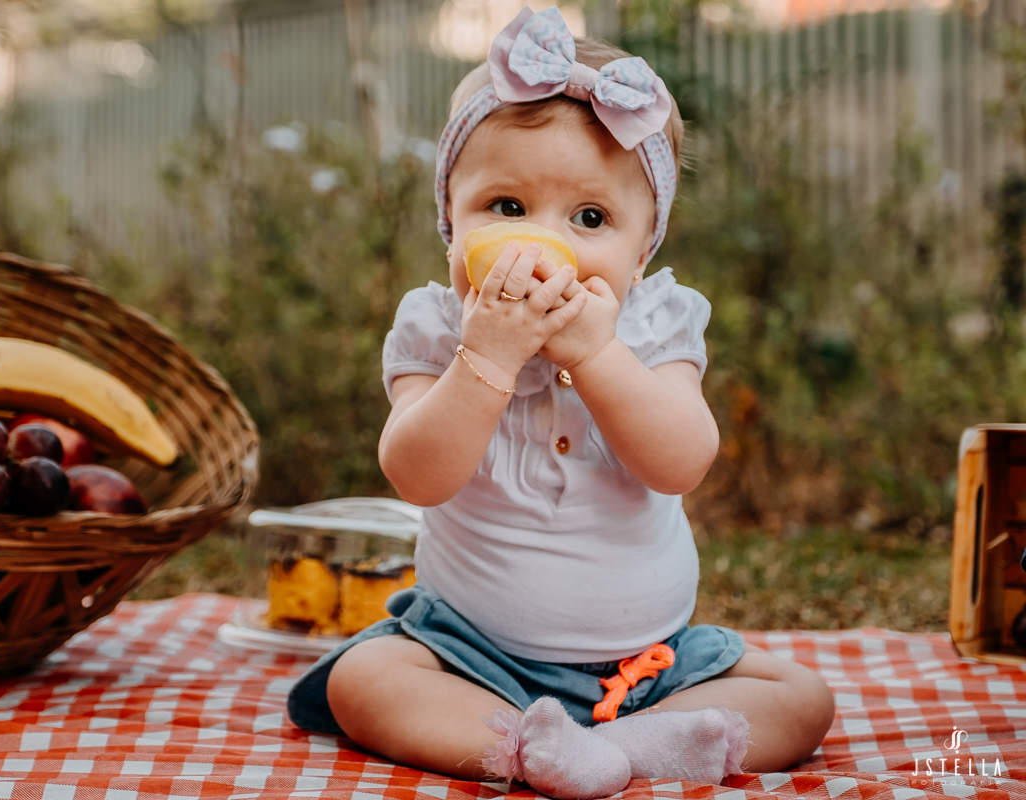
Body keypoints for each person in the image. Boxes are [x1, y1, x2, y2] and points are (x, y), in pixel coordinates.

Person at [286, 8, 834, 799]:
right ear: (450, 224)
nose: (545, 245)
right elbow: (418, 477)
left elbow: (680, 462)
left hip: (652, 660)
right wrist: (486, 359)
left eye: (590, 219)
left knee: (802, 701)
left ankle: (639, 742)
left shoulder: (653, 326)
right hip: (471, 653)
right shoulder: (439, 329)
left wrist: (597, 355)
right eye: (505, 207)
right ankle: (526, 747)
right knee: (364, 681)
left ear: (643, 249)